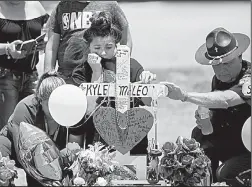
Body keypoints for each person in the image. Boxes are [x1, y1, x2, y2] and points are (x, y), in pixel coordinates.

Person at [162, 27, 251, 185]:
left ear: (240, 56)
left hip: (249, 150)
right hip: (236, 142)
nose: (222, 69)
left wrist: (185, 96)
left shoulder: (248, 78)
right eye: (216, 64)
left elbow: (227, 99)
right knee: (199, 136)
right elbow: (215, 122)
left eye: (228, 63)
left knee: (226, 174)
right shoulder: (219, 79)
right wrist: (206, 121)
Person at [66, 11, 156, 155]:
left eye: (108, 47)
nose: (102, 52)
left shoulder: (131, 65)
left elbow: (149, 101)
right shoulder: (81, 72)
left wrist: (145, 82)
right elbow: (88, 110)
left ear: (116, 45)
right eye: (97, 48)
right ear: (88, 47)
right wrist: (96, 73)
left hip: (134, 142)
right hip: (98, 146)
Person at [0, 70, 95, 186]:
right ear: (40, 100)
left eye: (58, 103)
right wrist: (45, 181)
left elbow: (73, 150)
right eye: (50, 104)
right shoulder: (25, 108)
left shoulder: (73, 109)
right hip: (19, 149)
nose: (54, 109)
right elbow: (25, 155)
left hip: (54, 155)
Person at [0, 1, 49, 138]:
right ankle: (0, 160)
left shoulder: (36, 6)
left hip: (31, 76)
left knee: (32, 132)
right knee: (4, 133)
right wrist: (7, 49)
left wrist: (43, 44)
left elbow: (49, 33)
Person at [44, 1, 133, 80]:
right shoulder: (62, 6)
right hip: (67, 75)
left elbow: (126, 41)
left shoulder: (110, 4)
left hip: (102, 74)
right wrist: (47, 77)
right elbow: (51, 47)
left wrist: (119, 71)